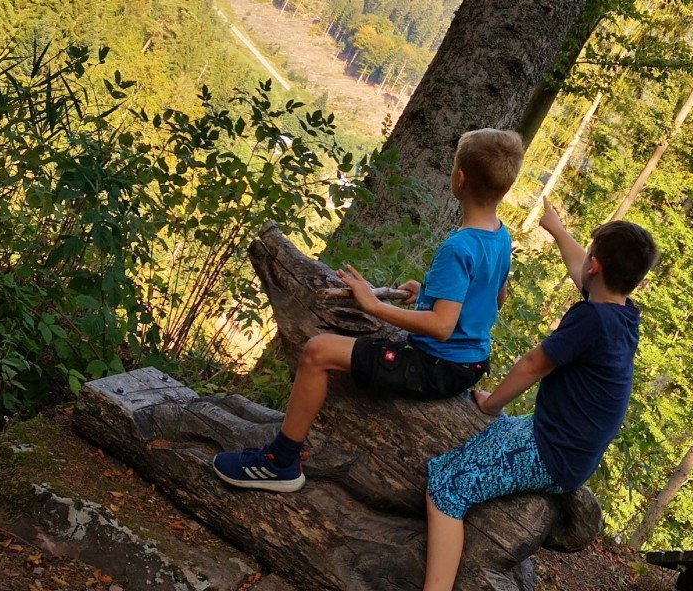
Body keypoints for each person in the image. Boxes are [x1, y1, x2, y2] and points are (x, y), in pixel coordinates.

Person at [212, 128, 524, 493]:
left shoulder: (459, 247)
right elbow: (494, 299)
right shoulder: (499, 235)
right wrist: (428, 295)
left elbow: (441, 327)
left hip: (436, 367)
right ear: (505, 188)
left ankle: (280, 462)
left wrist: (373, 305)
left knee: (317, 351)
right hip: (471, 364)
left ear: (460, 178)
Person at [421, 199, 658, 590]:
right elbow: (583, 269)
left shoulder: (591, 319)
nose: (584, 261)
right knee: (486, 441)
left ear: (595, 267)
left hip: (551, 452)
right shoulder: (621, 314)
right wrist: (557, 229)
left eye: (590, 255)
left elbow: (533, 365)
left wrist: (491, 403)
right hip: (568, 448)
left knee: (447, 486)